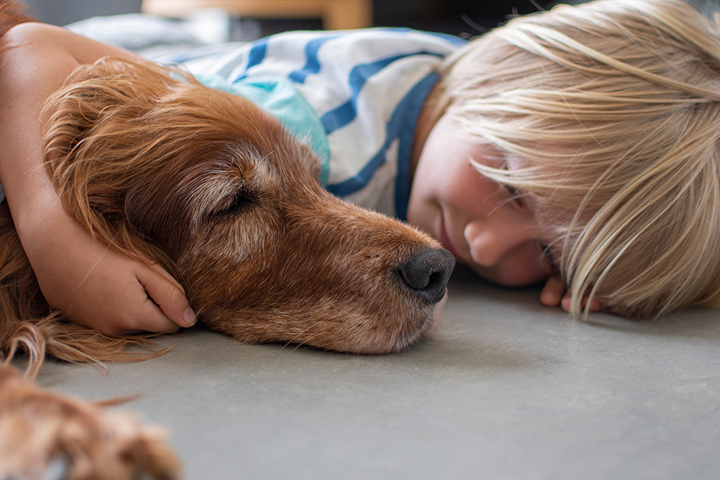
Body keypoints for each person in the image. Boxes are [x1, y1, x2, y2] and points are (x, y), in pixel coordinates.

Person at [1, 0, 718, 338]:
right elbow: (27, 47)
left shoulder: (494, 98)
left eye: (550, 250)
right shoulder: (311, 121)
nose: (486, 248)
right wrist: (54, 231)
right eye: (510, 188)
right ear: (485, 75)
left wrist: (608, 268)